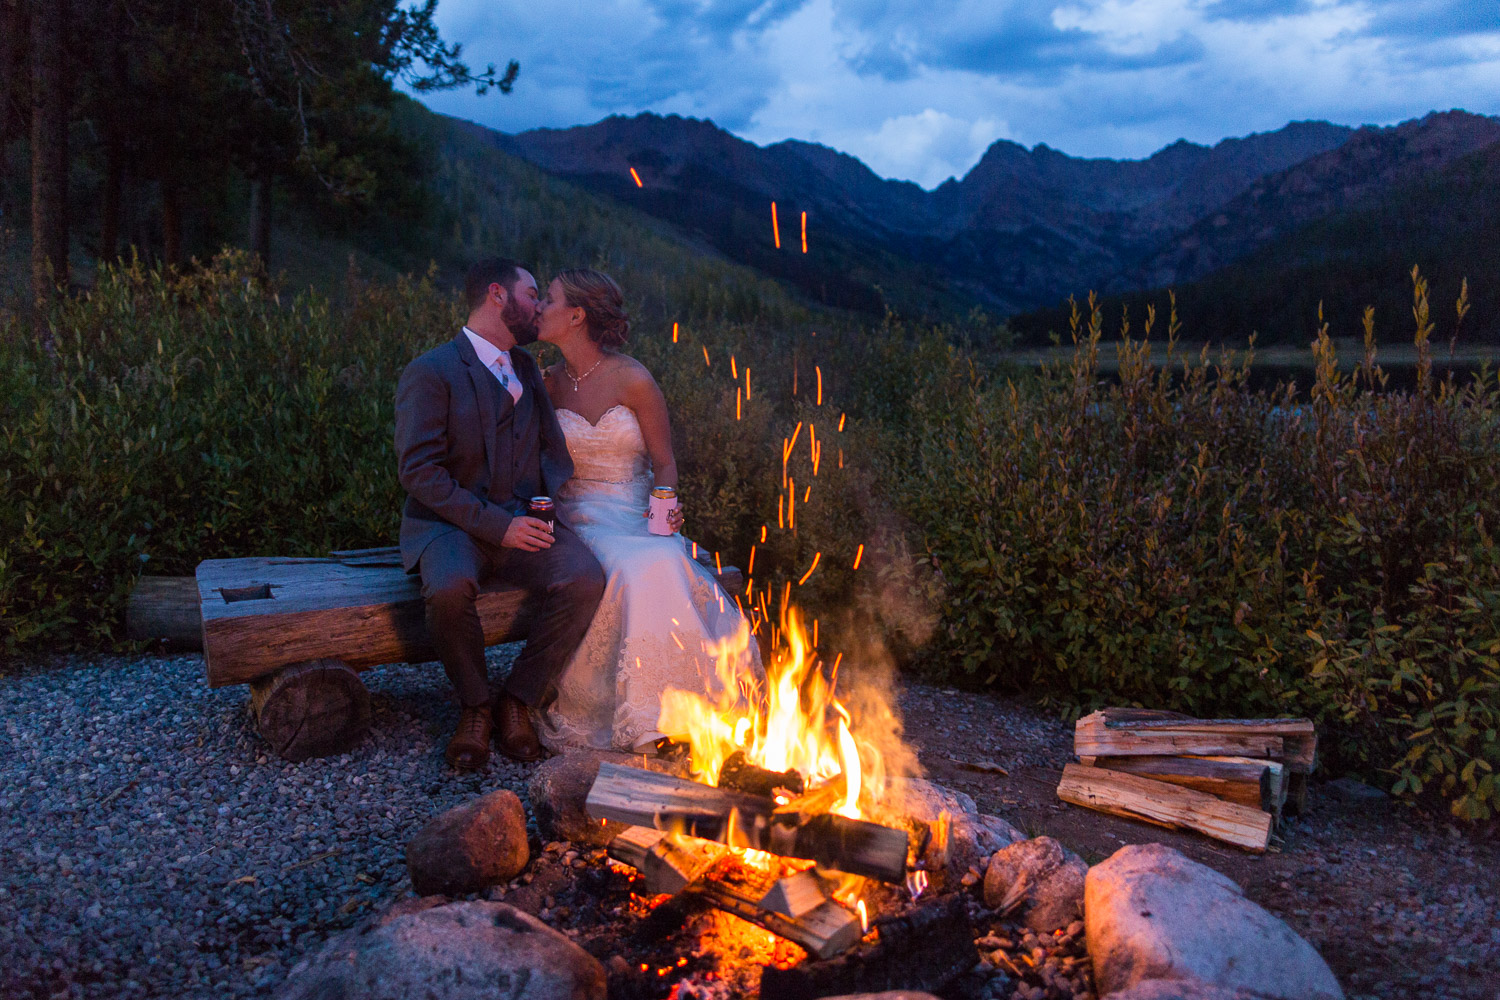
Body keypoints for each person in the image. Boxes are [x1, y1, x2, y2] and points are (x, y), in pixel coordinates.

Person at [531, 267, 758, 753]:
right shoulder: (544, 383)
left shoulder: (633, 379)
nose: (538, 309)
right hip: (579, 517)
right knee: (636, 566)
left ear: (576, 315)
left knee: (661, 557)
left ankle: (679, 709)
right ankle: (645, 713)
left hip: (634, 513)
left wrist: (665, 510)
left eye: (547, 300)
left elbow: (665, 462)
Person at [394, 258, 605, 770]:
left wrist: (545, 505)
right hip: (452, 525)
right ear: (497, 295)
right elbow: (419, 472)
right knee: (447, 591)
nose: (539, 305)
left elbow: (548, 449)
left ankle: (518, 699)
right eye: (533, 293)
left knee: (584, 578)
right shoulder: (431, 370)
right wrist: (498, 525)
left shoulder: (528, 368)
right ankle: (474, 707)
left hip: (524, 518)